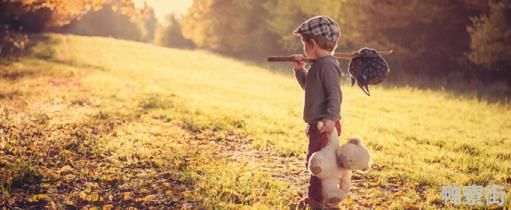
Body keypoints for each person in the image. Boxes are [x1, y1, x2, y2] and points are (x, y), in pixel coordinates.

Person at [291, 16, 343, 209]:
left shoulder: (328, 65)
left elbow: (335, 95)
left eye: (304, 43)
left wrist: (330, 118)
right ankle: (321, 200)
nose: (303, 49)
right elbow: (309, 87)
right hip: (317, 125)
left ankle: (318, 202)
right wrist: (299, 70)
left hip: (325, 126)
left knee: (319, 165)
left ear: (312, 44)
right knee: (317, 163)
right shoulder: (317, 65)